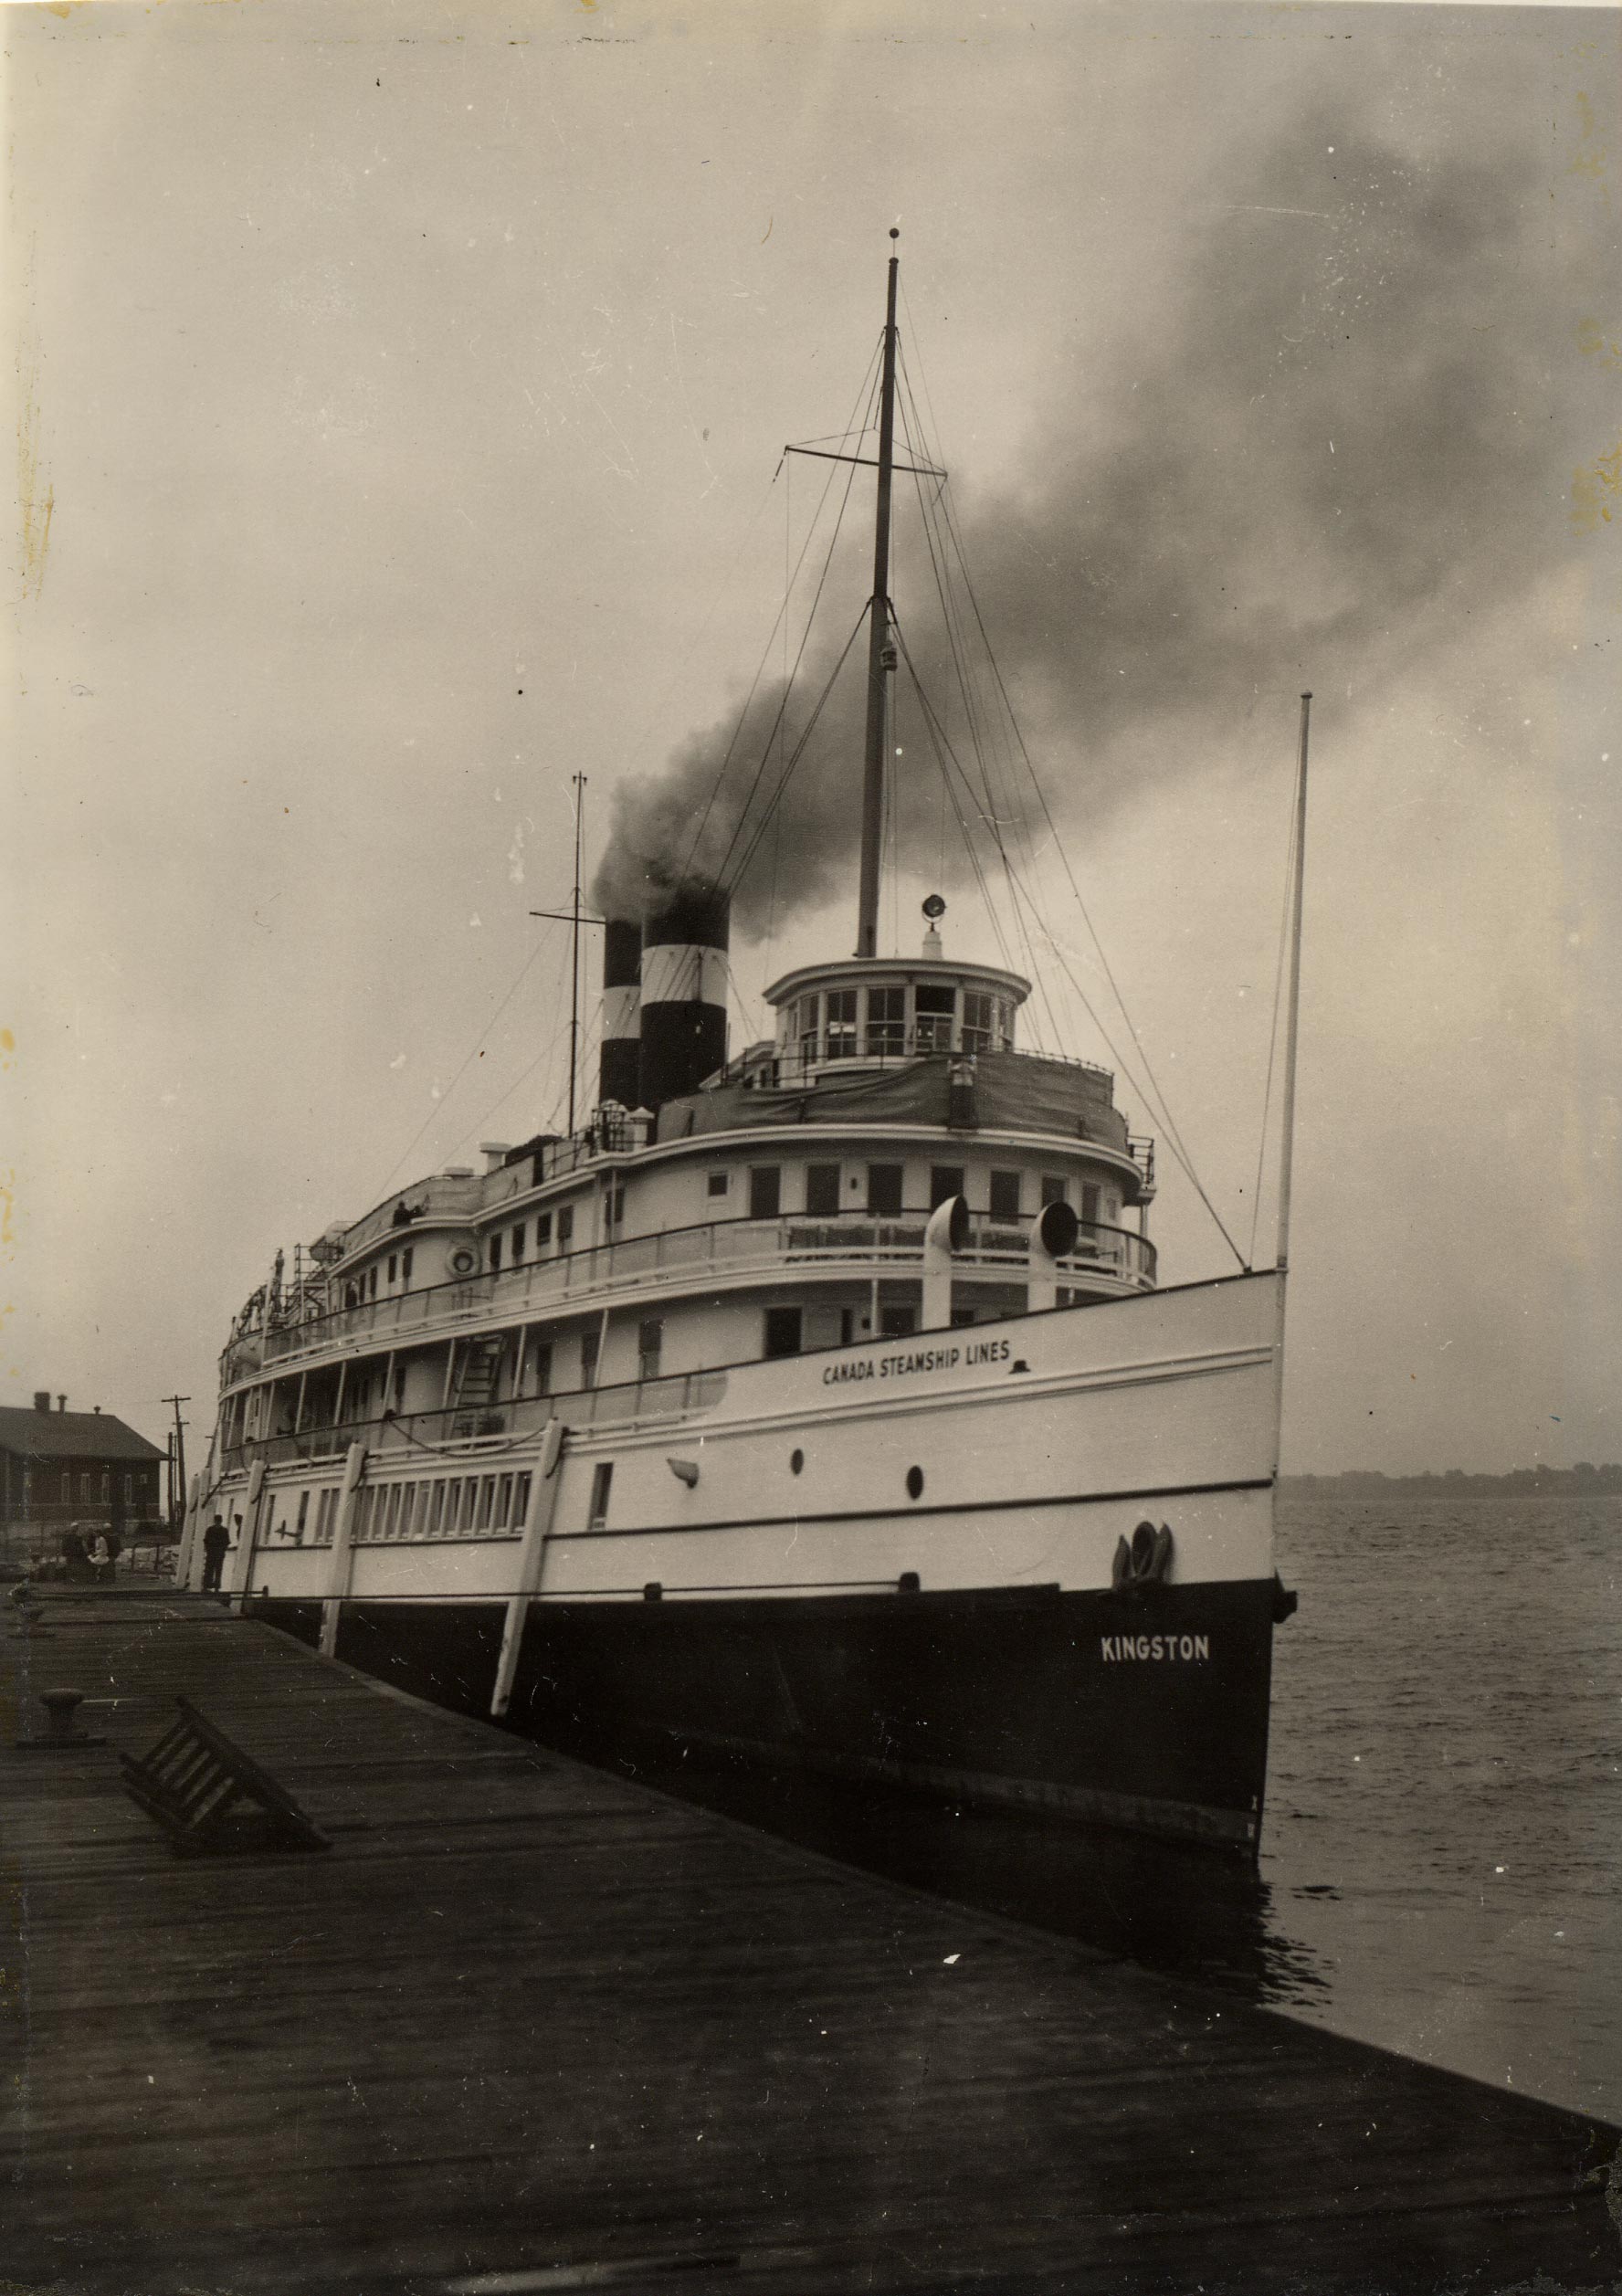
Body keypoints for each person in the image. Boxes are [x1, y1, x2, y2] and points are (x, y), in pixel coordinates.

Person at [201, 1516, 231, 1595]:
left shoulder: (210, 1529)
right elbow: (227, 1542)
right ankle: (213, 1587)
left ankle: (208, 1586)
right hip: (218, 1552)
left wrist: (208, 1549)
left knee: (210, 1569)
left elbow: (206, 1541)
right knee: (216, 1570)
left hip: (213, 1552)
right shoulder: (224, 1530)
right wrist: (223, 1549)